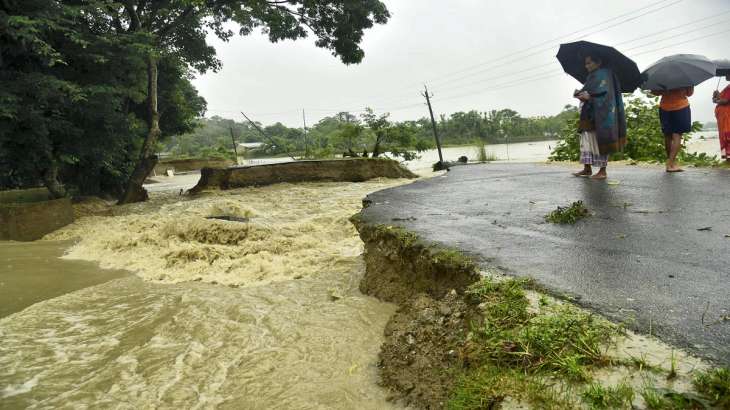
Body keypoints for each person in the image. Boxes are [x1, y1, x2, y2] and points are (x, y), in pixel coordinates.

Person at [572, 55, 627, 180]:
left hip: (601, 114)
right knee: (586, 140)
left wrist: (589, 98)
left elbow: (607, 96)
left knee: (600, 140)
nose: (586, 66)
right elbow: (590, 90)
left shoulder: (605, 75)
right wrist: (580, 94)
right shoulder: (591, 76)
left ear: (599, 62)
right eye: (585, 63)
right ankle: (587, 168)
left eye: (589, 63)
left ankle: (603, 171)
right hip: (588, 112)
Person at [651, 87, 694, 172]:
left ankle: (671, 162)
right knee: (677, 135)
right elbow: (689, 93)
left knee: (667, 135)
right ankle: (670, 164)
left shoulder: (662, 76)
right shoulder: (684, 77)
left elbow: (654, 92)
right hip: (681, 107)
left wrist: (665, 90)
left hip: (665, 108)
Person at [712, 75, 730, 162]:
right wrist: (716, 96)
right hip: (723, 116)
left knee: (727, 134)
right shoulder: (727, 87)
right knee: (723, 135)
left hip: (727, 115)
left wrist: (716, 100)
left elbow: (725, 101)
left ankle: (729, 156)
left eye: (728, 74)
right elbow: (720, 99)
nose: (727, 75)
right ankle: (727, 157)